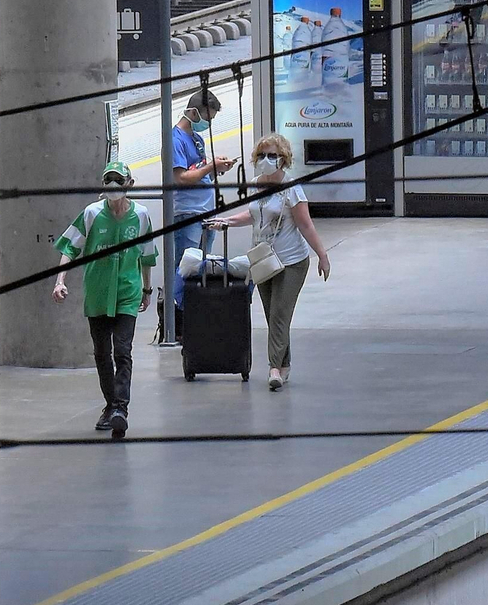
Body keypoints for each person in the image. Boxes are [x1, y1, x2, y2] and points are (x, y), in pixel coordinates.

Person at [206, 134, 330, 391]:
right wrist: (226, 222)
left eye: (272, 156)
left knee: (279, 316)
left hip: (291, 262)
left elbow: (305, 224)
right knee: (272, 314)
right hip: (263, 261)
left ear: (283, 159)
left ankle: (273, 367)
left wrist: (322, 255)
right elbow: (252, 215)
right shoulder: (254, 184)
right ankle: (283, 366)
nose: (265, 160)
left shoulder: (292, 189)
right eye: (261, 156)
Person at [52, 160, 157, 437]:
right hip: (98, 294)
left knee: (123, 352)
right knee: (102, 354)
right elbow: (69, 246)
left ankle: (121, 408)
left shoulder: (142, 216)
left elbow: (147, 256)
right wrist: (60, 281)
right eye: (108, 181)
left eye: (118, 181)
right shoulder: (91, 214)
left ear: (129, 185)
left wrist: (147, 290)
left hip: (127, 292)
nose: (113, 187)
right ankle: (110, 406)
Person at [169, 89, 237, 313]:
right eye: (208, 118)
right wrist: (210, 166)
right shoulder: (175, 139)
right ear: (193, 112)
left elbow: (199, 174)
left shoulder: (197, 139)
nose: (208, 124)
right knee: (185, 266)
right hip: (187, 212)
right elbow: (180, 177)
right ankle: (180, 316)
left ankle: (198, 313)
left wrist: (215, 170)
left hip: (206, 212)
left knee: (201, 267)